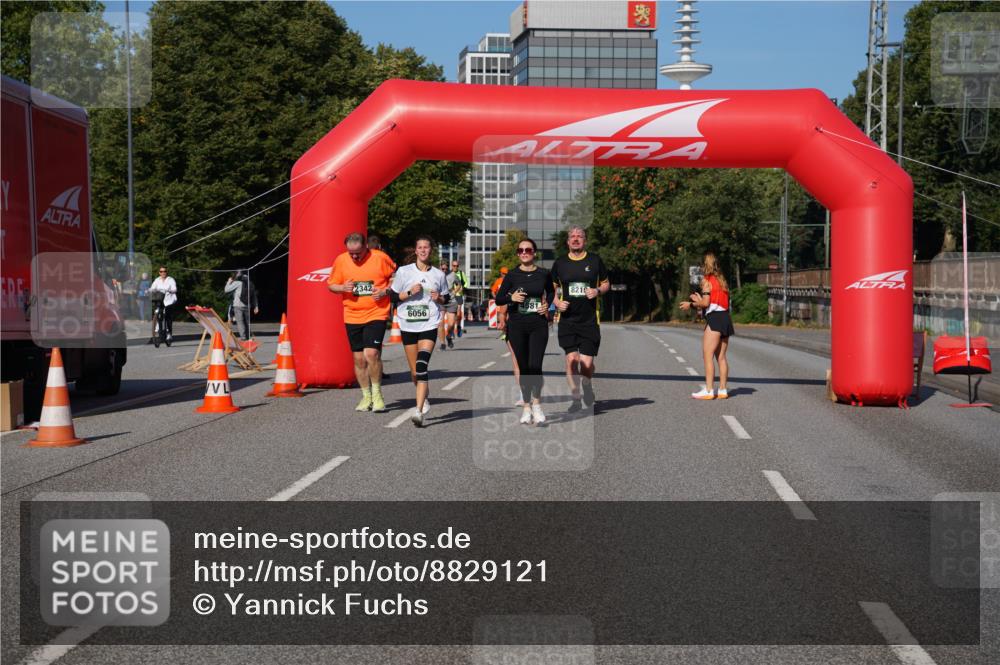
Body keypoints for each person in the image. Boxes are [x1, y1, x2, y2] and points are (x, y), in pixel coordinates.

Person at [327, 232, 397, 412]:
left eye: (357, 253)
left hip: (376, 312)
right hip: (352, 315)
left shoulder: (380, 258)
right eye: (351, 253)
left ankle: (377, 395)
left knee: (371, 354)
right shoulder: (341, 260)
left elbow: (396, 277)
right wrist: (342, 287)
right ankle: (366, 396)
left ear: (366, 246)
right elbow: (331, 285)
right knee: (359, 359)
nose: (354, 257)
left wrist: (385, 291)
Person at [389, 236, 449, 427]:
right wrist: (409, 293)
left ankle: (418, 411)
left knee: (422, 365)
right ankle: (424, 395)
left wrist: (439, 298)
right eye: (420, 247)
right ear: (415, 251)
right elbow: (392, 296)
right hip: (408, 325)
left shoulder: (439, 275)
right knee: (415, 373)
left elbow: (446, 299)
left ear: (431, 250)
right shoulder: (404, 271)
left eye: (426, 247)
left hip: (429, 324)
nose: (423, 250)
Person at [493, 237, 554, 425]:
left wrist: (547, 305)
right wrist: (511, 297)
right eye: (521, 250)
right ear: (518, 254)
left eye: (528, 250)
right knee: (524, 368)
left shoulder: (544, 273)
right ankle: (526, 407)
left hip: (538, 325)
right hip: (517, 326)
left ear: (534, 253)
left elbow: (551, 292)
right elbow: (499, 299)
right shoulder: (512, 275)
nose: (524, 253)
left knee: (535, 366)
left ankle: (537, 405)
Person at [552, 225, 609, 411]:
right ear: (568, 241)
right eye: (573, 236)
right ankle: (576, 399)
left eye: (580, 236)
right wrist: (557, 303)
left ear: (585, 240)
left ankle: (587, 384)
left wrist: (597, 290)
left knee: (586, 364)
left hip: (589, 320)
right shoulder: (560, 263)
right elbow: (550, 288)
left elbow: (606, 283)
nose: (576, 239)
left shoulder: (595, 260)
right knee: (571, 360)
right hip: (567, 320)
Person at [680, 252, 734, 400]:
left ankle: (709, 390)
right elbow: (712, 301)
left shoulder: (706, 281)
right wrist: (699, 299)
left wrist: (691, 304)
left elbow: (706, 303)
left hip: (715, 320)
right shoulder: (722, 281)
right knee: (721, 357)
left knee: (707, 356)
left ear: (705, 265)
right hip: (726, 319)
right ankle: (722, 390)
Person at [225, 271, 259, 340]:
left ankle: (243, 338)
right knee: (247, 322)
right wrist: (256, 306)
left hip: (238, 305)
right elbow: (254, 296)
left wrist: (229, 282)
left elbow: (226, 290)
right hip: (247, 305)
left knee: (240, 322)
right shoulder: (251, 284)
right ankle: (248, 337)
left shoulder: (238, 283)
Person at [148, 266, 178, 342]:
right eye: (161, 271)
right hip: (160, 299)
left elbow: (174, 288)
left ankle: (169, 333)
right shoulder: (157, 280)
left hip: (169, 300)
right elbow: (152, 288)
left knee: (168, 316)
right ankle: (158, 328)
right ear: (159, 272)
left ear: (166, 272)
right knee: (158, 312)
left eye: (164, 271)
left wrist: (171, 290)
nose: (163, 273)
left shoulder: (170, 280)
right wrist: (148, 290)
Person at [439, 261, 458, 350]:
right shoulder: (436, 275)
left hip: (451, 301)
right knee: (440, 323)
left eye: (446, 269)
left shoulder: (453, 275)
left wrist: (454, 291)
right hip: (440, 300)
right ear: (440, 267)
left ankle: (448, 336)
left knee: (451, 324)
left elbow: (458, 285)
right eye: (443, 269)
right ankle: (442, 343)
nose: (444, 271)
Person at [450, 260, 468, 338]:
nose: (455, 267)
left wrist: (462, 288)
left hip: (459, 295)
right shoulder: (449, 274)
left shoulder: (461, 273)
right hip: (451, 296)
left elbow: (466, 283)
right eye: (454, 266)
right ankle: (452, 330)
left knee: (458, 313)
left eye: (457, 266)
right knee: (452, 314)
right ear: (452, 266)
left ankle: (458, 326)